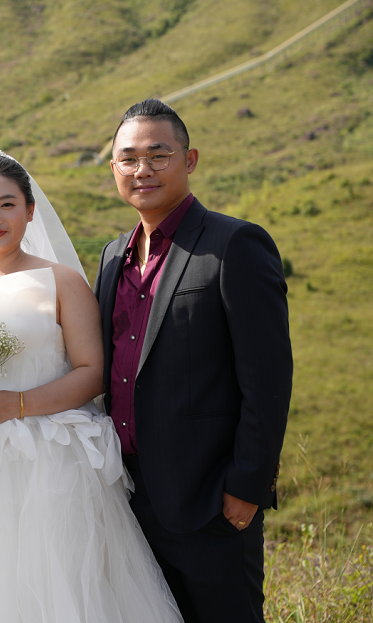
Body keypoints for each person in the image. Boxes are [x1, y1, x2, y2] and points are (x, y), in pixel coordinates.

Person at [0, 147, 182, 622]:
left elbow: (91, 372)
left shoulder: (61, 281)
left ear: (30, 211)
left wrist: (19, 404)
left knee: (52, 586)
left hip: (48, 459)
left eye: (8, 204)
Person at [94, 98, 292, 622]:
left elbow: (268, 379)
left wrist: (246, 488)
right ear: (113, 168)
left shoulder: (235, 244)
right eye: (129, 158)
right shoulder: (112, 257)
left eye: (158, 155)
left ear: (190, 159)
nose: (142, 169)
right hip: (128, 501)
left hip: (210, 501)